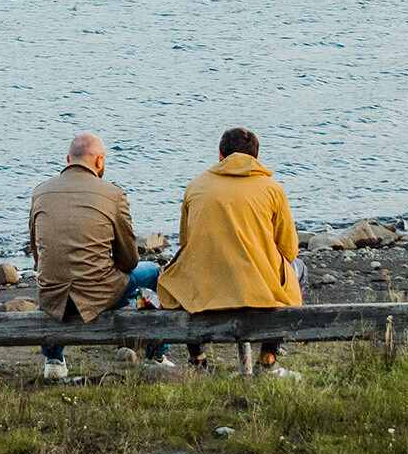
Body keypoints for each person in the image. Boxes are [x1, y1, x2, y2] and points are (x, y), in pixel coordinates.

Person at [156, 127, 305, 377]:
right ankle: (267, 360)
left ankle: (198, 359)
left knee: (178, 279)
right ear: (255, 158)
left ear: (220, 155)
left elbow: (186, 241)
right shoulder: (272, 189)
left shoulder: (196, 186)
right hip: (259, 292)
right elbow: (289, 250)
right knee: (299, 270)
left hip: (206, 292)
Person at [27, 132, 169, 378]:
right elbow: (129, 261)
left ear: (68, 159)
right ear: (100, 161)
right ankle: (155, 356)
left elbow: (38, 255)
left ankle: (54, 360)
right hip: (98, 295)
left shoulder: (40, 192)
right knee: (151, 273)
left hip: (52, 294)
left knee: (52, 276)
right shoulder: (113, 194)